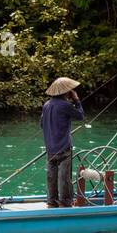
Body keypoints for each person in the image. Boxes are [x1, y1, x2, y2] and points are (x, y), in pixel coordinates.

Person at [41, 77, 85, 208]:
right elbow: (80, 115)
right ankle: (65, 203)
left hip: (50, 148)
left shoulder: (46, 105)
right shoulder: (66, 105)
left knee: (51, 177)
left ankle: (51, 202)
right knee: (64, 178)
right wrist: (76, 100)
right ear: (66, 92)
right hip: (63, 148)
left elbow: (42, 124)